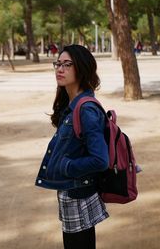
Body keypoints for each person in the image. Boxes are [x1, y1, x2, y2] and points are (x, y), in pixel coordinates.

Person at [35, 44, 109, 249]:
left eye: (67, 64)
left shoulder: (85, 109)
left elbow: (100, 160)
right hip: (73, 192)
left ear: (81, 68)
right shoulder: (72, 105)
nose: (60, 69)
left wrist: (67, 167)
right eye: (58, 64)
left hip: (78, 194)